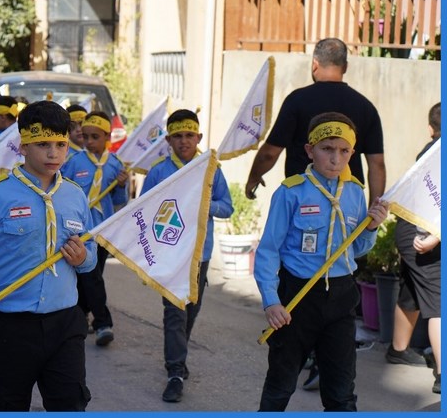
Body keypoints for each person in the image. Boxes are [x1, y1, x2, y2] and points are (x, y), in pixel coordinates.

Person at [0, 100, 97, 411]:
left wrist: (83, 257)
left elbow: (91, 251)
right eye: (43, 144)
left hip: (65, 323)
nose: (53, 153)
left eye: (60, 144)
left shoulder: (74, 195)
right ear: (23, 146)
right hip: (10, 325)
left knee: (71, 403)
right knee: (9, 404)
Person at [254, 112, 388, 411]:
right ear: (310, 150)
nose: (336, 159)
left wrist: (372, 228)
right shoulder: (291, 192)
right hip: (298, 297)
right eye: (327, 149)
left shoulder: (355, 192)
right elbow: (269, 250)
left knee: (341, 394)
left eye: (344, 151)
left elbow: (356, 250)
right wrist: (271, 300)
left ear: (352, 153)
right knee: (280, 387)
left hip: (341, 298)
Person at [141, 108, 234, 402]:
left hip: (199, 254)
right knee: (174, 313)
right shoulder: (158, 171)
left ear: (199, 137)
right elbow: (143, 210)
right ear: (168, 140)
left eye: (189, 135)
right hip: (170, 254)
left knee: (190, 311)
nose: (184, 141)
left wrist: (205, 205)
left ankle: (178, 355)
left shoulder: (211, 169)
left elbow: (227, 207)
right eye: (178, 136)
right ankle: (175, 372)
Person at [245, 37, 386, 204]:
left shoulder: (297, 101)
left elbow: (270, 153)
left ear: (314, 64)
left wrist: (254, 177)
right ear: (345, 67)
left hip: (303, 198)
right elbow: (377, 164)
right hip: (347, 200)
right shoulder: (365, 107)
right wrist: (373, 210)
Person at [60, 111, 129, 346]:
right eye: (85, 136)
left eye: (95, 137)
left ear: (107, 137)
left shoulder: (115, 164)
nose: (89, 141)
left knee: (92, 276)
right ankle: (102, 323)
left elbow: (120, 201)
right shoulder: (74, 162)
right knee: (91, 278)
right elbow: (62, 191)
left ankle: (80, 318)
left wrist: (121, 185)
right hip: (79, 230)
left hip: (103, 229)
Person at [386, 102, 441, 394]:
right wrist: (436, 236)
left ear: (431, 129)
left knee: (412, 289)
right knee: (439, 300)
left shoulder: (429, 151)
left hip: (409, 228)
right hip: (425, 233)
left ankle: (398, 349)